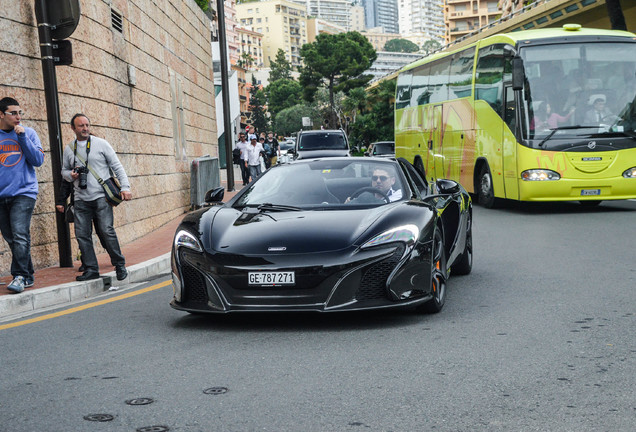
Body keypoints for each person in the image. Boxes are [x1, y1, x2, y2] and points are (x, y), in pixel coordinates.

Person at [61, 114, 132, 282]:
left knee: (107, 231)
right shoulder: (69, 148)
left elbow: (117, 166)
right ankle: (92, 269)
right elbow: (63, 171)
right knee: (82, 235)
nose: (85, 128)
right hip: (80, 199)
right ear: (73, 128)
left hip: (101, 196)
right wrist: (70, 175)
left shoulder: (101, 144)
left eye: (87, 125)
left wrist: (126, 187)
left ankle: (119, 265)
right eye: (81, 126)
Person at [0, 97, 44, 293]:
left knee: (19, 235)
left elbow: (37, 160)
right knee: (12, 237)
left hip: (24, 193)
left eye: (20, 113)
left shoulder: (29, 133)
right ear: (1, 115)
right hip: (1, 195)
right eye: (13, 113)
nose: (18, 117)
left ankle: (18, 276)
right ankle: (28, 273)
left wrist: (23, 138)